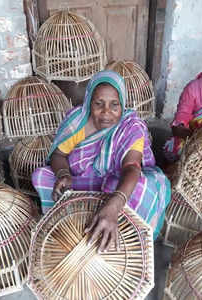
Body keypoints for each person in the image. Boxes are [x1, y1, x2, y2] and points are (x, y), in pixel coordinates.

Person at [32, 70, 171, 251]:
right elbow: (58, 155)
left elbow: (132, 167)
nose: (106, 112)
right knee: (41, 176)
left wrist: (115, 204)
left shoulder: (131, 127)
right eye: (99, 104)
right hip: (82, 180)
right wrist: (63, 174)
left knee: (141, 186)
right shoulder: (77, 122)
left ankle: (124, 237)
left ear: (123, 105)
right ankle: (70, 226)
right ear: (89, 102)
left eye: (115, 105)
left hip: (118, 181)